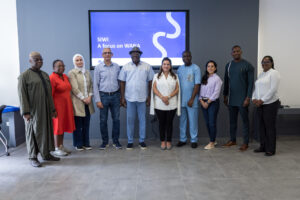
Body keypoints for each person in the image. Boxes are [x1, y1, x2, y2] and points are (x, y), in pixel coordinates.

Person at [18, 52, 60, 167]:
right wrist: (25, 112)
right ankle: (33, 157)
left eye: (41, 59)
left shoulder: (45, 75)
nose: (39, 62)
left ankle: (46, 154)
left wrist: (52, 109)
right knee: (32, 133)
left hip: (46, 109)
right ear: (30, 61)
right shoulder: (24, 76)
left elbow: (49, 95)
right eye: (36, 60)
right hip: (33, 111)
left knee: (46, 131)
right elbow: (22, 95)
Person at [118, 47, 154, 150]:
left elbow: (151, 81)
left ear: (140, 55)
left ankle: (142, 141)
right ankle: (130, 141)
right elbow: (122, 82)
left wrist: (149, 97)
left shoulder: (147, 67)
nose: (135, 55)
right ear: (130, 55)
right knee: (130, 120)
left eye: (137, 53)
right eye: (133, 53)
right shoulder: (125, 67)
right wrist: (122, 97)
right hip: (130, 98)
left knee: (142, 120)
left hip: (142, 98)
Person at [223, 45, 254, 151]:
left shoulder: (248, 65)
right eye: (234, 51)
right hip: (231, 99)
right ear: (231, 53)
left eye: (237, 51)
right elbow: (226, 82)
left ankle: (246, 142)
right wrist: (225, 95)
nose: (236, 53)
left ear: (241, 52)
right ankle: (233, 140)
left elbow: (250, 83)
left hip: (243, 99)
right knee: (232, 121)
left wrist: (248, 98)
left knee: (245, 121)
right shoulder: (229, 65)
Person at [94, 48, 122, 150]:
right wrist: (98, 100)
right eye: (105, 53)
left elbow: (120, 83)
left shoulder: (117, 67)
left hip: (115, 96)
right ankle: (105, 142)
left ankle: (116, 141)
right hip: (103, 96)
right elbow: (95, 85)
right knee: (103, 121)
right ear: (102, 55)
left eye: (109, 53)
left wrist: (120, 97)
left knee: (116, 120)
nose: (107, 55)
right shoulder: (98, 67)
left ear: (112, 54)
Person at [150, 57, 181, 150]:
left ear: (170, 66)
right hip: (159, 104)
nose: (166, 66)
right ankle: (163, 141)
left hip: (172, 104)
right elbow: (154, 88)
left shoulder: (175, 76)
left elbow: (177, 89)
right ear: (161, 65)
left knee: (169, 123)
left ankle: (169, 141)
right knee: (162, 123)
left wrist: (168, 97)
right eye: (164, 64)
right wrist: (162, 97)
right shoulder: (156, 76)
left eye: (168, 64)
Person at [252, 56, 280, 156]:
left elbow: (273, 89)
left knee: (269, 127)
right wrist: (254, 98)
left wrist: (262, 100)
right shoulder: (261, 74)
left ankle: (271, 149)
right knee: (261, 127)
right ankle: (263, 146)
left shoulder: (274, 73)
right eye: (263, 62)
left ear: (272, 63)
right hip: (260, 104)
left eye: (267, 61)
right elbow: (256, 88)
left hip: (270, 104)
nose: (264, 63)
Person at [68, 54, 95, 151]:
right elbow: (74, 88)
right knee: (78, 125)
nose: (79, 62)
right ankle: (78, 144)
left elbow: (91, 85)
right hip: (78, 103)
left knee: (86, 124)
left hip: (88, 102)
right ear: (74, 62)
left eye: (81, 60)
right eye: (77, 60)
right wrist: (84, 98)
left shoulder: (87, 72)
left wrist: (90, 97)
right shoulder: (72, 73)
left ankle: (86, 143)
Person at [50, 59, 76, 156]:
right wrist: (52, 110)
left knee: (62, 126)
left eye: (63, 66)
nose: (61, 67)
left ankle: (61, 146)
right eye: (59, 66)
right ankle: (56, 148)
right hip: (57, 108)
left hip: (66, 107)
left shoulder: (65, 76)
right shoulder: (52, 78)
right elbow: (50, 95)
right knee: (57, 127)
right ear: (54, 68)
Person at [177, 51, 201, 148]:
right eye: (184, 56)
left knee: (193, 121)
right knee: (182, 121)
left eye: (188, 56)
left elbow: (197, 84)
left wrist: (192, 99)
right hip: (181, 100)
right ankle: (182, 139)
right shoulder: (179, 69)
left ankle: (194, 140)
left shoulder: (196, 68)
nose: (186, 58)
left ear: (191, 57)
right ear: (182, 58)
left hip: (192, 101)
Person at [199, 60, 222, 150]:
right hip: (203, 103)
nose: (210, 68)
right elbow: (200, 92)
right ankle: (213, 139)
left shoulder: (217, 79)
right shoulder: (204, 77)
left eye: (212, 66)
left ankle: (211, 142)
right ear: (206, 68)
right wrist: (201, 101)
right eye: (208, 66)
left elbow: (216, 93)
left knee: (212, 123)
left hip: (212, 103)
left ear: (215, 68)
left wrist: (207, 102)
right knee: (208, 123)